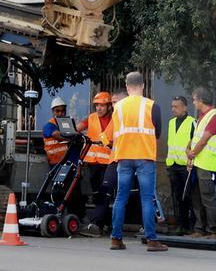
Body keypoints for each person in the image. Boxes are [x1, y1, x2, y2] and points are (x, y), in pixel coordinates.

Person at [109, 72, 167, 252]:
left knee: (120, 197)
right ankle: (151, 240)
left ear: (127, 87)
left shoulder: (118, 107)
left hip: (124, 156)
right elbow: (157, 133)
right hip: (144, 156)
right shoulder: (152, 105)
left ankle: (116, 239)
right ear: (143, 86)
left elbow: (115, 132)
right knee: (147, 199)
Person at [187, 86, 216, 238]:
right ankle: (199, 229)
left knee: (208, 198)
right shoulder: (202, 116)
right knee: (196, 197)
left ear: (201, 100)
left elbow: (204, 139)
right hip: (198, 163)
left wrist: (192, 152)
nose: (193, 103)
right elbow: (196, 138)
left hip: (208, 165)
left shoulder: (215, 116)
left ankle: (214, 230)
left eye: (194, 100)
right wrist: (188, 148)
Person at [83, 91, 114, 231]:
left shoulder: (116, 119)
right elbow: (78, 127)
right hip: (92, 162)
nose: (99, 109)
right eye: (96, 106)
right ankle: (105, 222)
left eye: (102, 106)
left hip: (108, 163)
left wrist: (110, 143)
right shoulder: (91, 118)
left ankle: (95, 223)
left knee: (104, 192)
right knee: (97, 195)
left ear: (109, 106)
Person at [165, 96, 196, 234]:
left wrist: (191, 162)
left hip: (185, 165)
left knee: (188, 197)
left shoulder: (192, 123)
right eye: (172, 106)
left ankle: (189, 225)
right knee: (177, 197)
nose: (173, 109)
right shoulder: (171, 122)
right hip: (173, 164)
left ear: (185, 107)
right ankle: (180, 225)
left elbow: (194, 144)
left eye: (176, 106)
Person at [42, 97, 70, 166]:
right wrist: (72, 136)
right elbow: (57, 135)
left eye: (63, 111)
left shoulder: (66, 124)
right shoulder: (49, 125)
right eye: (57, 111)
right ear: (53, 111)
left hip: (65, 161)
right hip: (54, 162)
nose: (60, 113)